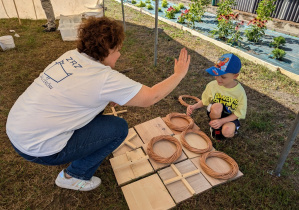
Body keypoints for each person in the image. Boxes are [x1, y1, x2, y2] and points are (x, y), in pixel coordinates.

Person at [6, 17, 190, 191]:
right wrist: (178, 74)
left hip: (17, 131)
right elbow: (151, 97)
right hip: (38, 148)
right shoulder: (104, 77)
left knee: (98, 118)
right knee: (118, 128)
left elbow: (78, 90)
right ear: (108, 50)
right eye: (117, 49)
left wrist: (103, 97)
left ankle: (69, 152)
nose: (119, 54)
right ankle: (74, 176)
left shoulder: (71, 55)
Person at [186, 53, 247, 141]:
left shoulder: (240, 92)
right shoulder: (212, 86)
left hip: (230, 117)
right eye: (216, 74)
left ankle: (228, 129)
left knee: (227, 132)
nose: (218, 79)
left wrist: (222, 121)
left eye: (223, 77)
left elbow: (238, 113)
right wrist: (194, 106)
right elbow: (204, 101)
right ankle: (215, 127)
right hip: (215, 111)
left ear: (235, 76)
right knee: (218, 106)